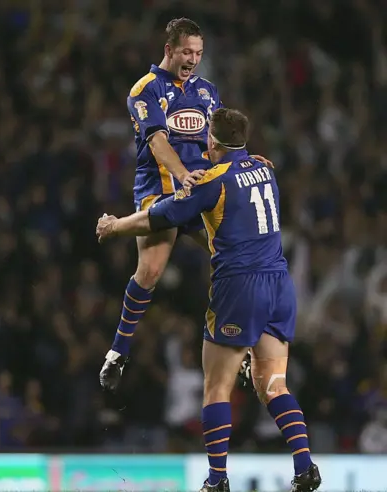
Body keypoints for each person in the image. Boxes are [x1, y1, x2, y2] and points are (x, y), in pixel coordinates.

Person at [96, 108, 321, 492]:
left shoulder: (212, 182)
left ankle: (217, 481)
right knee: (274, 386)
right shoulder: (264, 168)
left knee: (217, 386)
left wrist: (114, 226)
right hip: (279, 286)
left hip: (239, 288)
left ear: (211, 142)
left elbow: (158, 218)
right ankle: (305, 467)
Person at [100, 17, 272, 391]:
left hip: (202, 191)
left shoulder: (207, 91)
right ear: (169, 50)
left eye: (199, 53)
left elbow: (226, 138)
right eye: (187, 52)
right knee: (150, 272)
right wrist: (181, 175)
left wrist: (247, 158)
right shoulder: (144, 90)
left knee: (236, 261)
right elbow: (158, 142)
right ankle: (117, 354)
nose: (193, 59)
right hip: (161, 189)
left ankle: (242, 349)